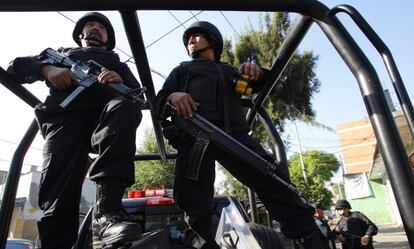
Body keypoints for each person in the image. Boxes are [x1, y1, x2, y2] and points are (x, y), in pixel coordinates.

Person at [156, 21, 324, 249]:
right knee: (193, 201)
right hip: (194, 137)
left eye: (196, 36)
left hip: (234, 137)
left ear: (213, 40)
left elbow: (263, 85)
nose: (190, 41)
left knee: (275, 180)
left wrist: (257, 73)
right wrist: (172, 96)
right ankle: (204, 243)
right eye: (188, 40)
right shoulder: (182, 70)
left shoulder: (230, 71)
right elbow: (159, 102)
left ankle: (310, 238)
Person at [7, 12, 142, 249]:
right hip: (64, 121)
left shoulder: (118, 64)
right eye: (89, 25)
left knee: (126, 107)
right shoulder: (60, 55)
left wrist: (121, 81)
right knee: (58, 197)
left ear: (108, 37)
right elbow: (15, 67)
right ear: (80, 34)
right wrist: (47, 70)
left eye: (101, 26)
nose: (95, 28)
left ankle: (107, 214)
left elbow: (138, 95)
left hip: (106, 122)